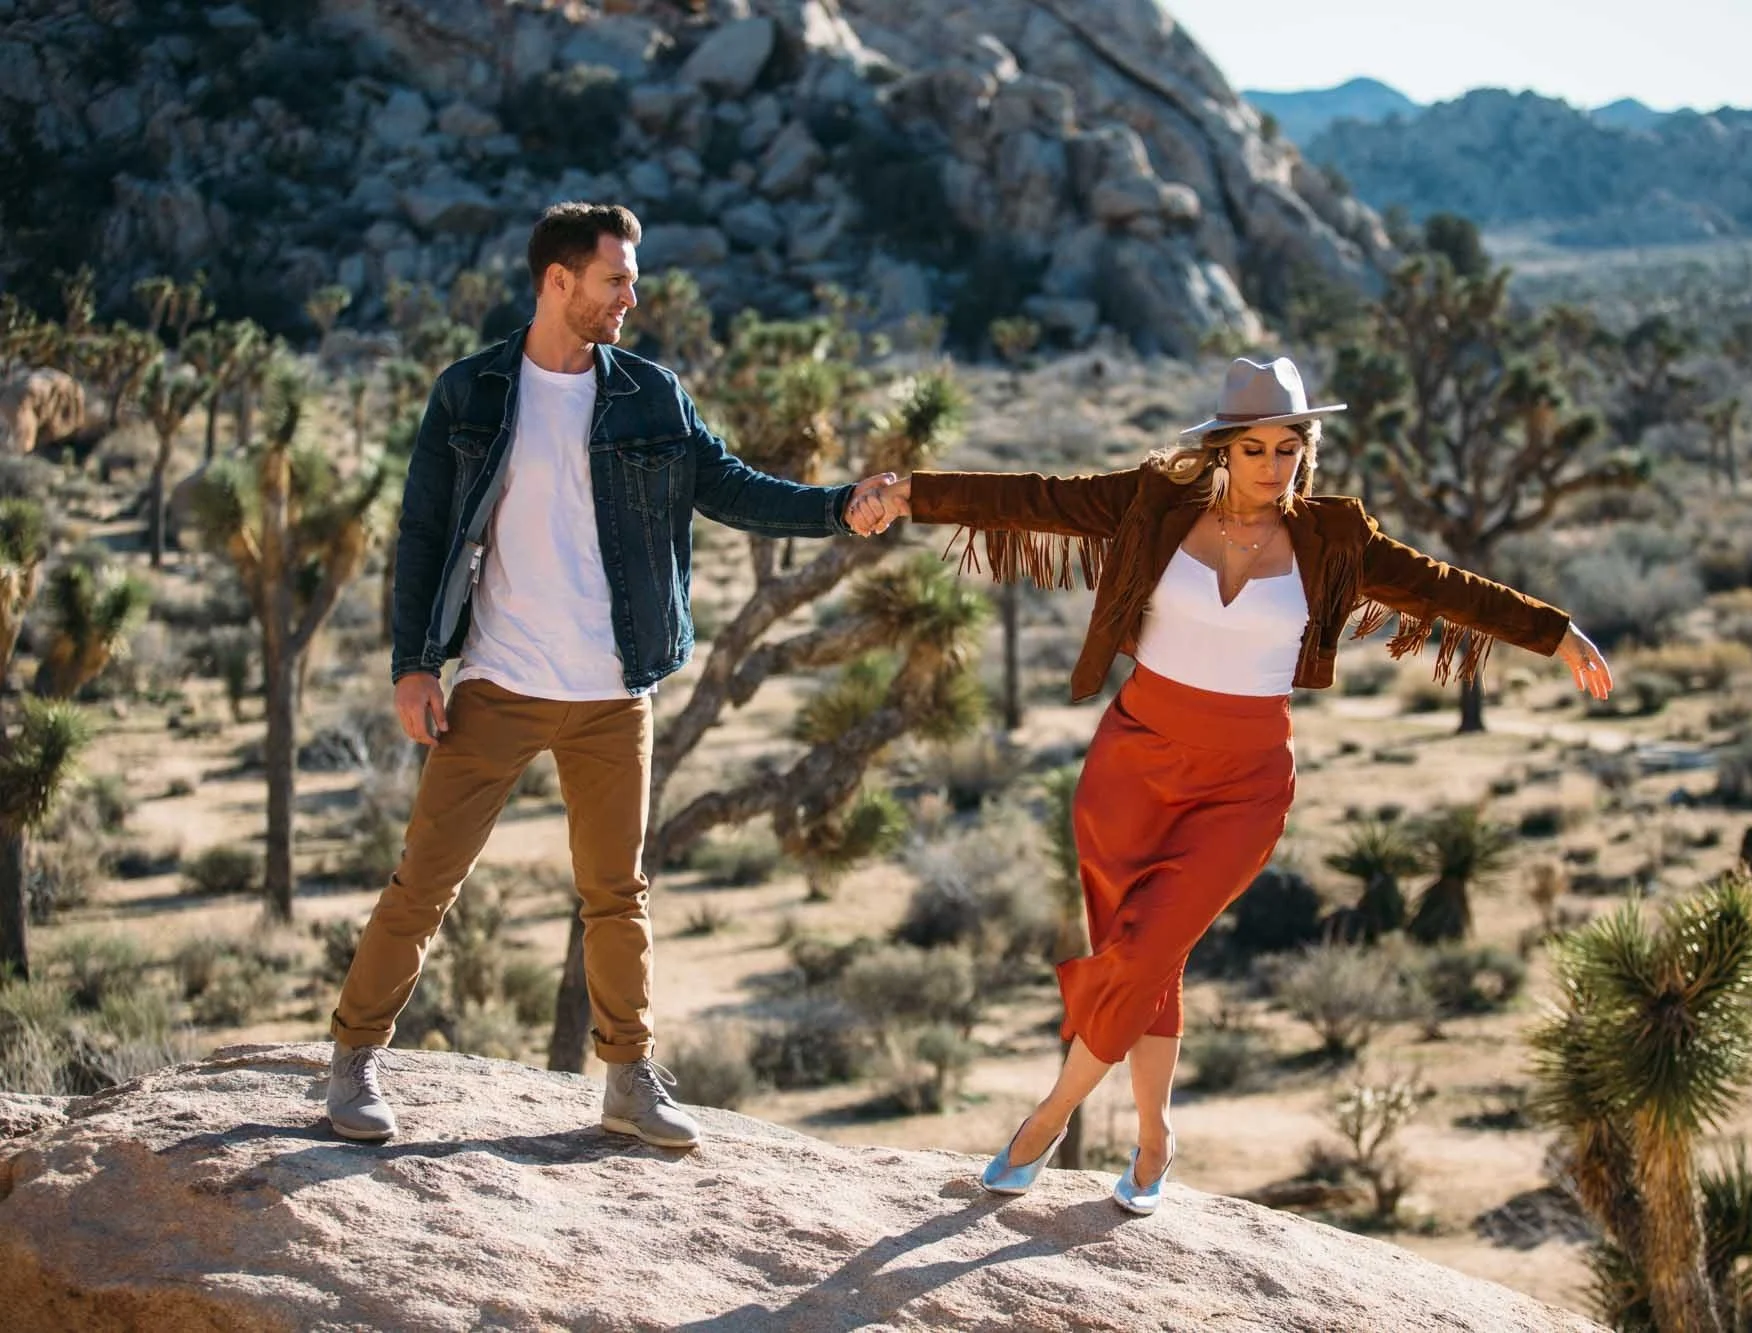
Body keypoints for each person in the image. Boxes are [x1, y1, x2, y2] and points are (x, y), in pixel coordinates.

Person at [875, 356, 1613, 1214]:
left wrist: (1553, 632)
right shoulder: (1154, 505)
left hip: (1244, 782)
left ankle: (1049, 1115)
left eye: (1289, 448)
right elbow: (1033, 497)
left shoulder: (1335, 540)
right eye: (1255, 448)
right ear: (1222, 449)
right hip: (1131, 765)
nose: (1273, 465)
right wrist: (911, 492)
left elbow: (1441, 587)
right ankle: (1154, 1141)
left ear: (1308, 450)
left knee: (1145, 948)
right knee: (1150, 962)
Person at [325, 202, 898, 1148]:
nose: (633, 295)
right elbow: (423, 532)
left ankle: (628, 1077)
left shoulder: (649, 394)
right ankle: (353, 1059)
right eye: (615, 279)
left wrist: (841, 508)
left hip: (612, 689)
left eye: (631, 279)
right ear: (559, 281)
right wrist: (413, 664)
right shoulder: (471, 390)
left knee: (616, 892)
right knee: (425, 879)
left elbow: (731, 486)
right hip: (499, 683)